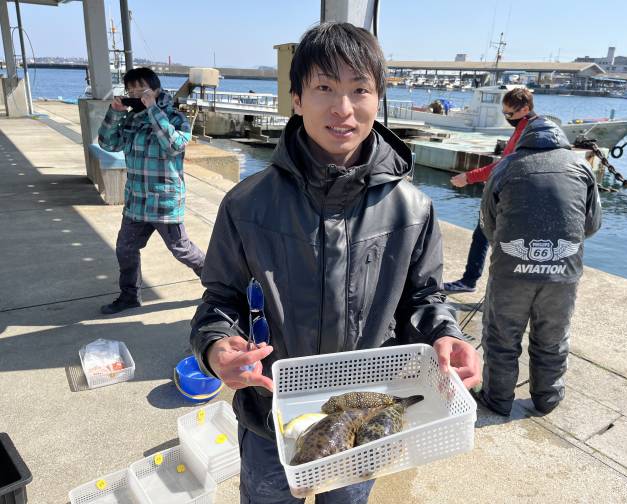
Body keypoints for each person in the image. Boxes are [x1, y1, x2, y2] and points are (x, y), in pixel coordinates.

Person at [190, 23, 481, 504]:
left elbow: (425, 299)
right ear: (296, 99)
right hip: (270, 415)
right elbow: (221, 299)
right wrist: (217, 347)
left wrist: (446, 335)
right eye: (324, 87)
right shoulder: (246, 204)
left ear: (378, 98)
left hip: (366, 416)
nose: (342, 108)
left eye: (359, 89)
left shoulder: (413, 208)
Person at [477, 115, 601, 416]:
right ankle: (548, 399)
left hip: (510, 272)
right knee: (553, 338)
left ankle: (497, 399)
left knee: (501, 338)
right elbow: (592, 224)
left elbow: (488, 223)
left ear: (525, 139)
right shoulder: (581, 166)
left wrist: (515, 254)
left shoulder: (505, 167)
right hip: (563, 272)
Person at [98, 67, 205, 315]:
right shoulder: (131, 119)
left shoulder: (175, 117)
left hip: (164, 202)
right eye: (131, 91)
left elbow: (174, 145)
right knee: (125, 248)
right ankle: (129, 296)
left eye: (142, 89)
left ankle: (221, 284)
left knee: (182, 250)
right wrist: (115, 113)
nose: (136, 95)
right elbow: (108, 144)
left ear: (156, 90)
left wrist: (153, 110)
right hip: (136, 201)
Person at [444, 87, 536, 293]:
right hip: (509, 193)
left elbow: (505, 164)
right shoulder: (526, 126)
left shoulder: (527, 131)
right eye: (504, 113)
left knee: (492, 239)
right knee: (485, 236)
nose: (507, 118)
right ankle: (476, 282)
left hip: (512, 197)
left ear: (525, 109)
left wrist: (468, 177)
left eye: (509, 114)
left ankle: (473, 282)